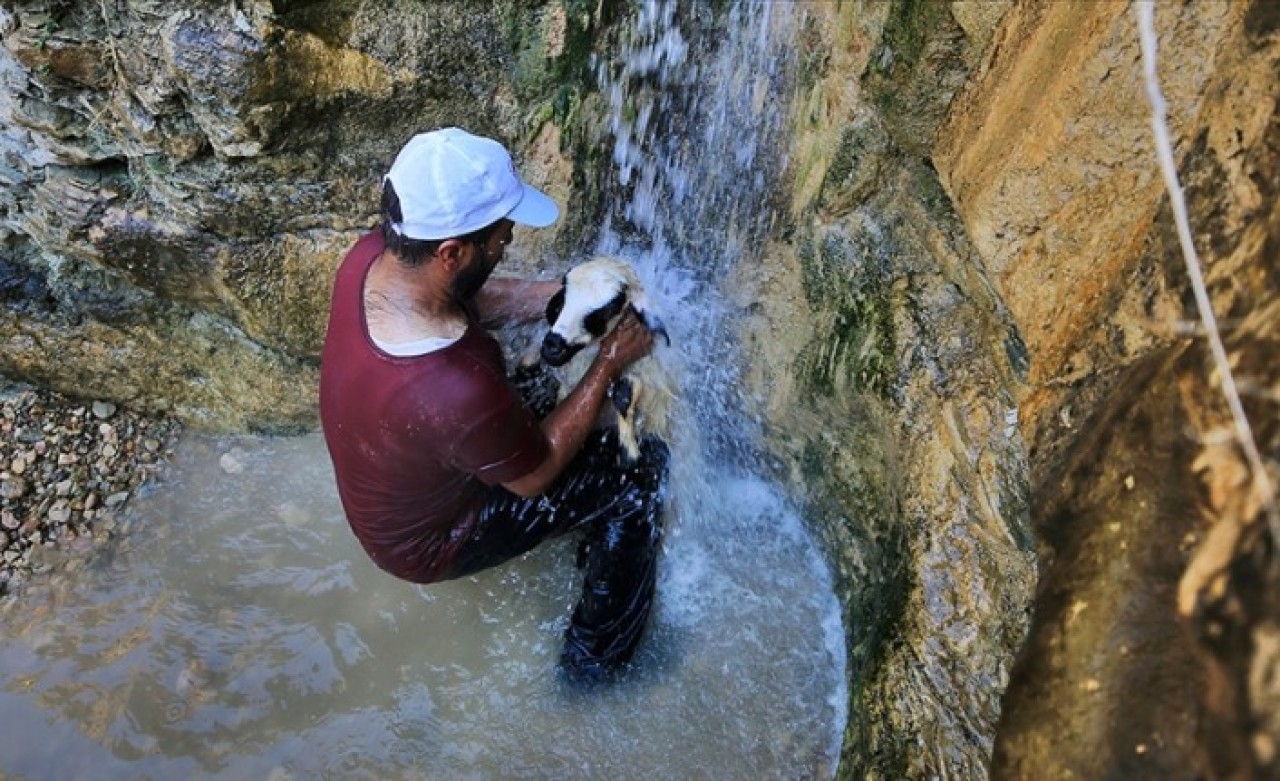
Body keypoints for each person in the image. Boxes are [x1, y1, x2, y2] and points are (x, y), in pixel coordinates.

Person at [319, 127, 669, 682]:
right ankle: (595, 668)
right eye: (500, 236)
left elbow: (469, 294)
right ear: (452, 252)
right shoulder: (452, 384)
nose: (509, 237)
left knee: (540, 388)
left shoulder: (374, 258)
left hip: (401, 489)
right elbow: (533, 476)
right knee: (638, 475)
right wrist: (609, 362)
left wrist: (566, 297)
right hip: (432, 544)